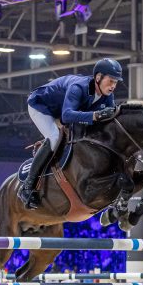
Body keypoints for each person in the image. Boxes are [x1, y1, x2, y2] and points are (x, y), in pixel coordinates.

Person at [19, 58, 123, 209]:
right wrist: (95, 115)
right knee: (54, 138)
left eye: (116, 82)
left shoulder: (108, 96)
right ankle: (27, 187)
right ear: (98, 77)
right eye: (111, 81)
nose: (113, 85)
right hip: (42, 106)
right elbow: (67, 116)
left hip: (61, 112)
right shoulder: (78, 87)